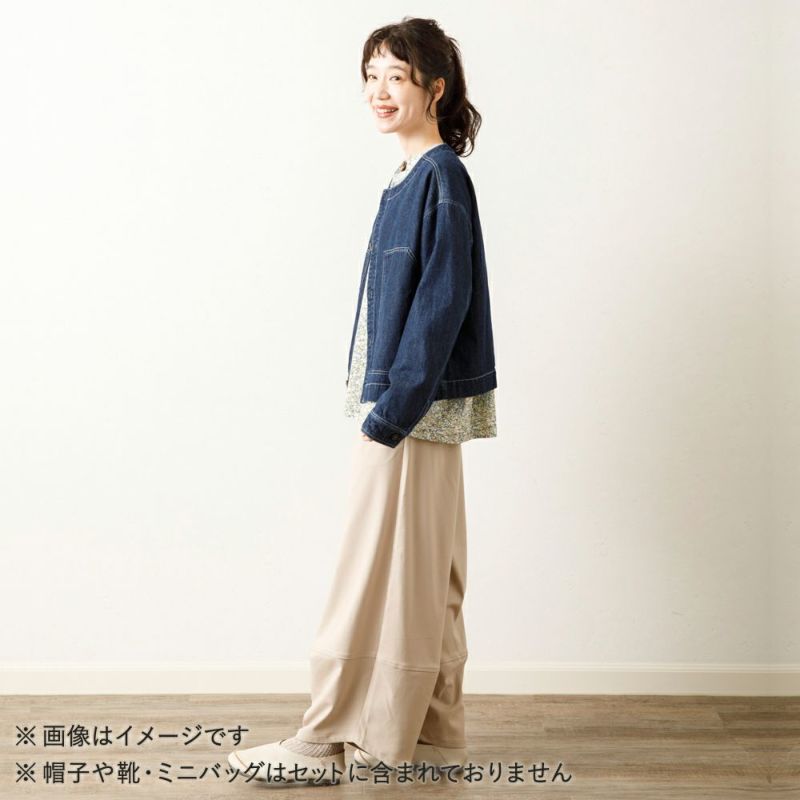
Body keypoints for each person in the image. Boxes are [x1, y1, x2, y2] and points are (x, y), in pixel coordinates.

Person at [228, 15, 498, 785]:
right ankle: (429, 737)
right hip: (418, 412)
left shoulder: (438, 178)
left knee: (371, 577)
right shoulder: (414, 177)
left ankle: (324, 740)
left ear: (434, 88)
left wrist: (389, 414)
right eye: (371, 76)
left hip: (408, 414)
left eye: (396, 76)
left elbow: (441, 306)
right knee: (427, 577)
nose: (379, 91)